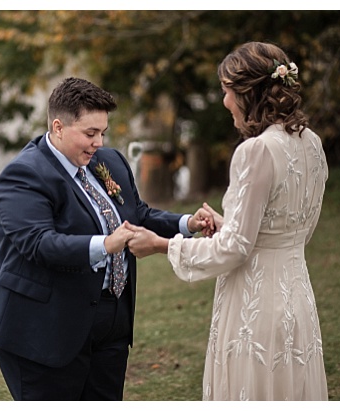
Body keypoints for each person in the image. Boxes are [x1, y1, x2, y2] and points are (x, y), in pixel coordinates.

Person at [0, 77, 213, 400]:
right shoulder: (24, 175)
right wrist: (105, 245)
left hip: (111, 320)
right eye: (90, 134)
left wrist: (188, 223)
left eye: (103, 132)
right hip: (43, 327)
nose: (99, 143)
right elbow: (39, 244)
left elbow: (138, 215)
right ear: (58, 128)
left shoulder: (109, 161)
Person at [123, 41, 329, 400]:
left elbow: (236, 249)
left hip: (255, 308)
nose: (224, 102)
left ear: (247, 94)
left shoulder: (256, 150)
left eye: (226, 92)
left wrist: (162, 245)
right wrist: (232, 223)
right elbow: (294, 229)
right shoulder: (311, 143)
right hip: (297, 299)